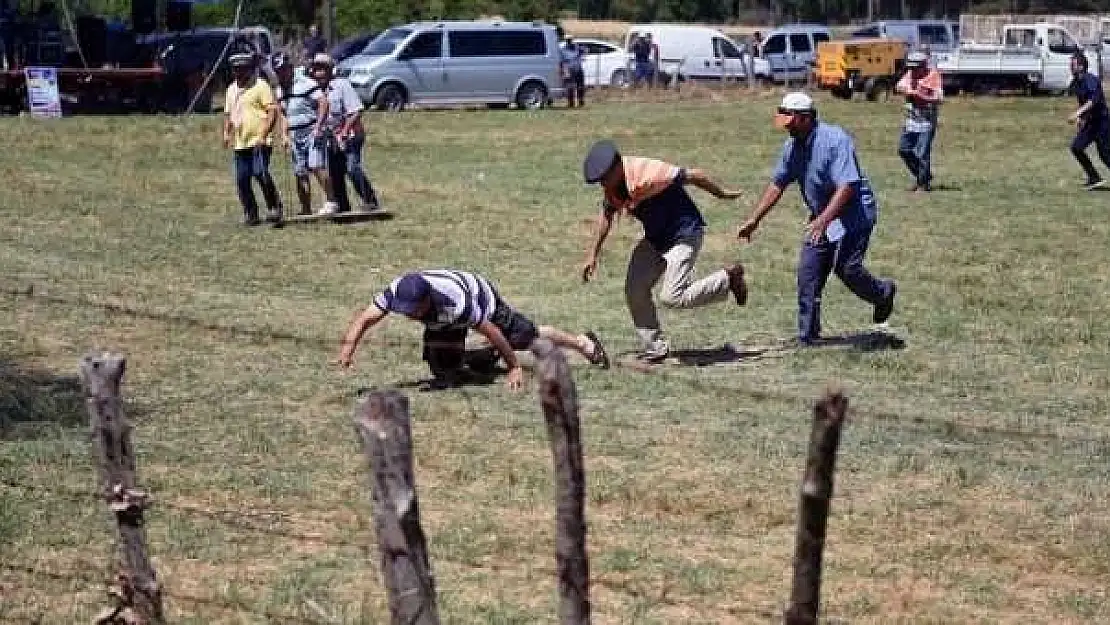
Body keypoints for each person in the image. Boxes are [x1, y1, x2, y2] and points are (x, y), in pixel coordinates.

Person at [737, 92, 897, 346]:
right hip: (821, 215)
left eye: (790, 122)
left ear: (806, 118)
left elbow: (847, 186)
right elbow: (778, 183)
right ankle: (808, 335)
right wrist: (754, 219)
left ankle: (882, 293)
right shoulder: (792, 146)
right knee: (808, 273)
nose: (786, 128)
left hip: (853, 213)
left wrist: (824, 219)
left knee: (848, 269)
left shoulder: (835, 140)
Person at [580, 140, 749, 362]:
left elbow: (695, 175)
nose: (603, 186)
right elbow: (607, 215)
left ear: (616, 168)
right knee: (635, 288)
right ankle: (656, 347)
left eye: (604, 179)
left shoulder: (648, 174)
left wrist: (722, 194)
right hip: (656, 238)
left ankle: (728, 278)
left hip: (684, 234)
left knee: (672, 297)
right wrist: (592, 254)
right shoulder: (614, 187)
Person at [335, 269, 610, 390]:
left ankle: (582, 342)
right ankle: (483, 358)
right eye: (405, 310)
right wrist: (348, 350)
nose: (409, 315)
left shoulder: (456, 302)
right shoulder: (397, 291)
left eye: (413, 310)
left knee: (526, 338)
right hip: (445, 317)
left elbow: (490, 329)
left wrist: (514, 366)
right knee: (443, 369)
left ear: (427, 300)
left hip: (483, 300)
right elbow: (365, 318)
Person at [309, 53, 382, 214]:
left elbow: (356, 111)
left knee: (352, 167)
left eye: (322, 69)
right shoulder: (314, 91)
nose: (318, 73)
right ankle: (342, 205)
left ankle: (370, 200)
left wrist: (344, 131)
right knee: (335, 172)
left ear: (329, 70)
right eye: (316, 70)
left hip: (351, 134)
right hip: (332, 138)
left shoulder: (342, 85)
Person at [271, 51, 337, 216]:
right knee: (300, 172)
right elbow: (283, 114)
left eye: (284, 69)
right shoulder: (279, 90)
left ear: (290, 68)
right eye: (278, 71)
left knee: (316, 165)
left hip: (311, 130)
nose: (281, 73)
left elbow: (323, 102)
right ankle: (305, 208)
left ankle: (331, 201)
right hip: (294, 134)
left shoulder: (306, 83)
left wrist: (319, 126)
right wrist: (284, 135)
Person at [222, 52, 283, 227]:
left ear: (249, 69)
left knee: (260, 172)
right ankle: (251, 213)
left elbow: (272, 111)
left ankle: (274, 207)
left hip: (259, 141)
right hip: (241, 142)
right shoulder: (231, 89)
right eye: (236, 69)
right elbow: (228, 114)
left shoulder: (260, 86)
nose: (239, 72)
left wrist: (264, 135)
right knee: (242, 179)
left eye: (242, 69)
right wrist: (227, 133)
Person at [894, 50, 943, 192]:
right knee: (904, 150)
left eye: (915, 68)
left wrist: (923, 96)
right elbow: (898, 86)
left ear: (923, 65)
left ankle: (923, 184)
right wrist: (907, 91)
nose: (912, 71)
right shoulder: (910, 75)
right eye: (910, 68)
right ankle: (925, 175)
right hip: (911, 122)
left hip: (926, 123)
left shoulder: (933, 76)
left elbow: (939, 98)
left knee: (923, 153)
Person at [1067, 51, 1110, 190]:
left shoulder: (1090, 79)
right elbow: (1083, 102)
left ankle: (1095, 178)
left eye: (1073, 64)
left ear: (1081, 67)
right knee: (1076, 147)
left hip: (1102, 123)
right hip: (1091, 123)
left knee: (1105, 155)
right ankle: (1094, 177)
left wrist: (1077, 113)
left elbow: (1092, 101)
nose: (1070, 67)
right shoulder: (1076, 82)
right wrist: (1081, 118)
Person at [561, 37, 585, 108]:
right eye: (568, 41)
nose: (570, 42)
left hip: (578, 68)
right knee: (570, 87)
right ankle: (571, 103)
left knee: (580, 86)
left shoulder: (577, 48)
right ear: (566, 41)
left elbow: (584, 51)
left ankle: (581, 101)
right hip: (569, 69)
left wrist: (581, 50)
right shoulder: (563, 50)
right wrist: (564, 71)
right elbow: (562, 61)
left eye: (570, 40)